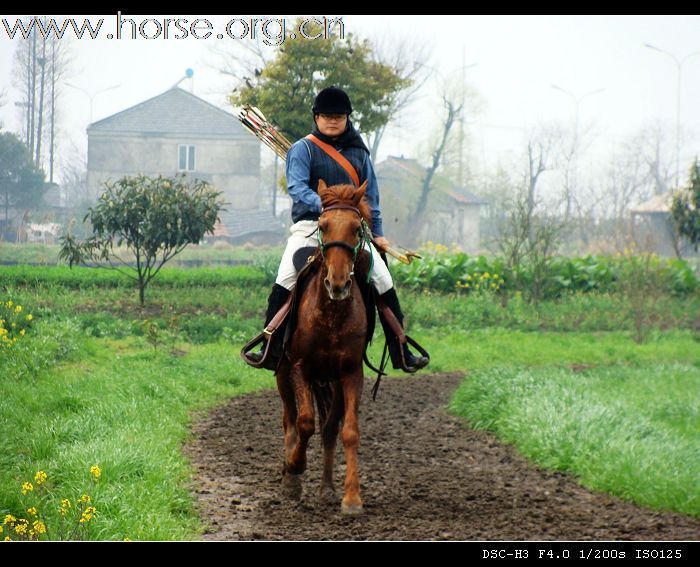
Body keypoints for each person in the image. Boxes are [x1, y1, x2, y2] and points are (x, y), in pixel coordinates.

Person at [246, 86, 428, 372]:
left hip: (354, 230)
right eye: (327, 115)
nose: (333, 121)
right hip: (311, 225)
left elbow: (372, 198)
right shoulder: (301, 149)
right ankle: (270, 345)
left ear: (347, 119)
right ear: (316, 117)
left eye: (339, 116)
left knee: (383, 280)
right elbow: (296, 188)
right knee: (286, 277)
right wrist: (327, 206)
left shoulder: (359, 154)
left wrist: (377, 233)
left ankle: (401, 349)